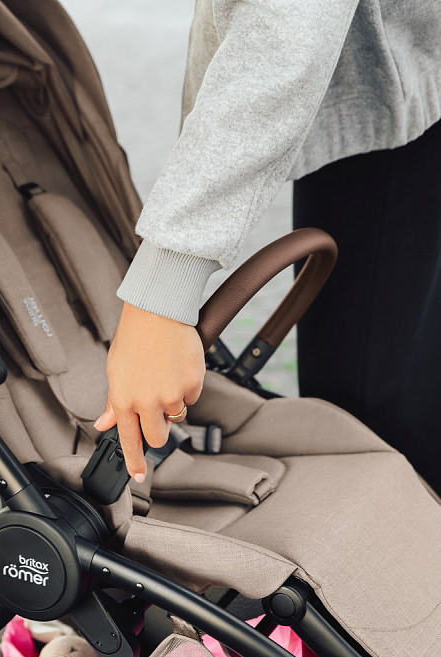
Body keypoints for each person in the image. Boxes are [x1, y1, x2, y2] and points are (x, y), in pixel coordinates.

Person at [94, 0, 441, 494]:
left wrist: (162, 292)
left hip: (384, 119)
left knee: (369, 430)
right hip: (410, 83)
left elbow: (285, 28)